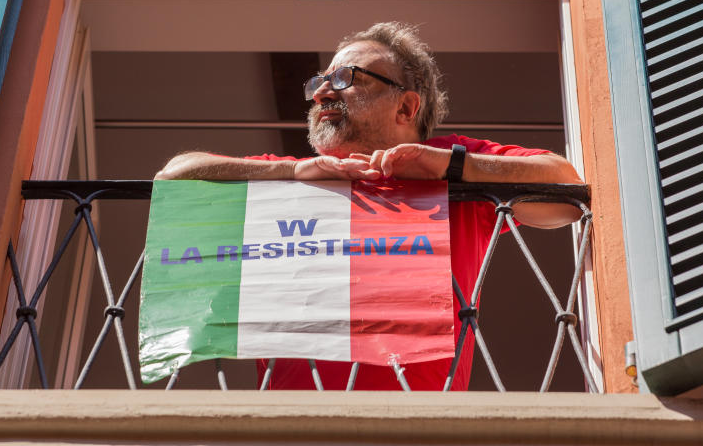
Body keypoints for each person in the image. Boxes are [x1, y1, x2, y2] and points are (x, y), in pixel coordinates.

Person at [155, 22, 583, 390]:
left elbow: (566, 192)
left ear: (406, 105)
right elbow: (175, 177)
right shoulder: (294, 173)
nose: (323, 91)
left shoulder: (450, 164)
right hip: (289, 427)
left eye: (345, 77)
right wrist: (292, 173)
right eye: (319, 81)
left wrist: (448, 166)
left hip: (415, 427)